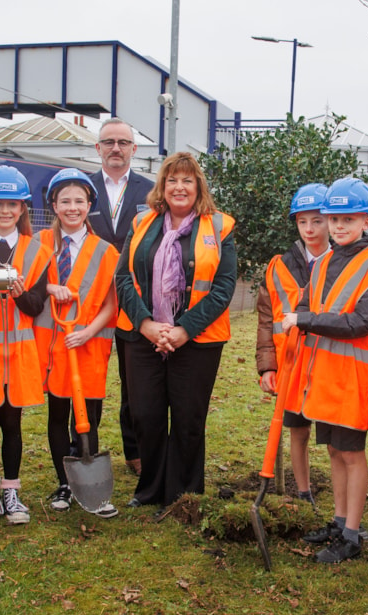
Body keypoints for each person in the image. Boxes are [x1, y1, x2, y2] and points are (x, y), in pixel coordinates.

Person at [115, 152, 236, 514]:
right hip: (144, 337)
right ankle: (150, 488)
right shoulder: (142, 222)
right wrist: (148, 324)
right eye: (172, 180)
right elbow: (123, 278)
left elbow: (224, 286)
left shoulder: (219, 226)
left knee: (187, 417)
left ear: (198, 186)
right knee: (146, 414)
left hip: (197, 340)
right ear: (162, 186)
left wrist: (184, 329)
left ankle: (184, 493)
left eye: (187, 180)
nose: (179, 187)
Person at [280, 177, 368, 564]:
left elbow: (360, 322)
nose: (339, 226)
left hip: (354, 380)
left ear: (366, 221)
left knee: (351, 453)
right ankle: (340, 520)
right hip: (325, 376)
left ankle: (352, 533)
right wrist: (305, 318)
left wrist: (305, 320)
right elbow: (311, 305)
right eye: (334, 219)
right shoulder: (324, 261)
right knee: (334, 449)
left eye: (348, 219)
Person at [0, 166, 57, 526]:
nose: (5, 211)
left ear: (22, 209)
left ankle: (12, 492)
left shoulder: (38, 252)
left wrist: (18, 296)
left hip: (19, 352)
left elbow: (36, 307)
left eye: (12, 205)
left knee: (13, 423)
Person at [33, 169, 120, 519]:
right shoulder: (38, 244)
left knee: (88, 419)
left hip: (88, 345)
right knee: (57, 414)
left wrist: (87, 331)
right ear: (53, 205)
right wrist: (47, 288)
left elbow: (112, 305)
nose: (72, 208)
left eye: (79, 201)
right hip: (52, 345)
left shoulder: (107, 252)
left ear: (89, 206)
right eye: (65, 201)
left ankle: (92, 485)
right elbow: (23, 289)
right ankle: (64, 484)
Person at [255, 183, 331, 507]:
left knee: (334, 440)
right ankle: (303, 493)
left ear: (330, 220)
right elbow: (264, 319)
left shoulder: (343, 262)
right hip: (291, 364)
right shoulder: (279, 266)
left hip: (329, 365)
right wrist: (267, 365)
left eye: (317, 220)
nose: (310, 229)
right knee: (297, 431)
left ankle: (340, 503)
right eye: (303, 222)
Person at [89, 118, 155, 477]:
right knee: (91, 375)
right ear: (97, 148)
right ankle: (86, 445)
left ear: (134, 149)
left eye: (123, 142)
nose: (116, 148)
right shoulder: (82, 188)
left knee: (134, 378)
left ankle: (136, 450)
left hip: (135, 300)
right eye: (109, 142)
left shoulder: (150, 191)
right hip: (92, 302)